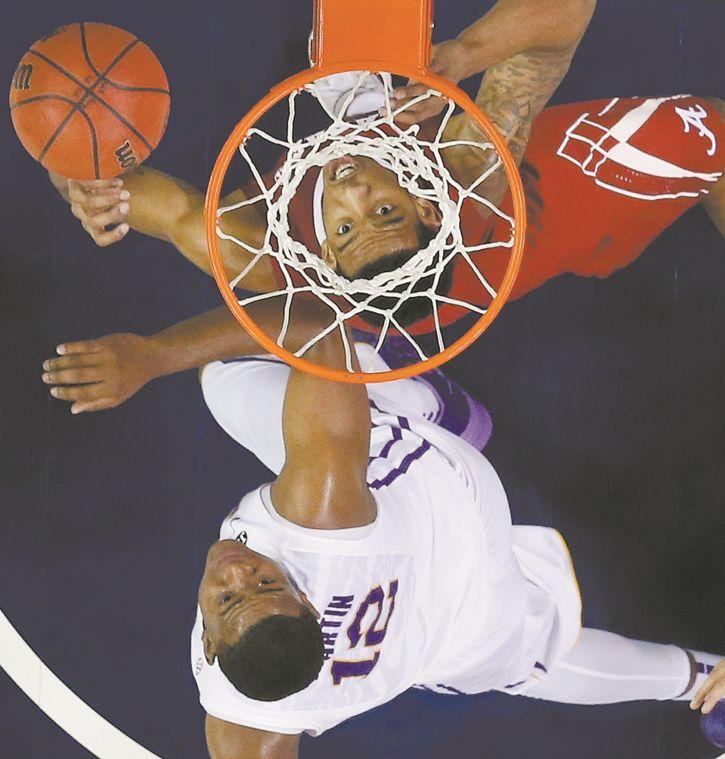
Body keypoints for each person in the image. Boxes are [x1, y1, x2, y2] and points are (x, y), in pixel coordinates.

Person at [39, 301, 725, 757]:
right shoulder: (318, 510)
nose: (233, 571)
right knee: (228, 367)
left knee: (524, 663)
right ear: (302, 597)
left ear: (211, 650)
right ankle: (434, 408)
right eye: (260, 582)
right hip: (444, 505)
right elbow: (314, 326)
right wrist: (153, 355)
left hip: (431, 648)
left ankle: (698, 677)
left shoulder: (239, 713)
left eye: (230, 597)